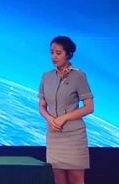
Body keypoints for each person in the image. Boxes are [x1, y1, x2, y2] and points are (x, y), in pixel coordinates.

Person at [39, 36, 94, 184]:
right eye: (52, 52)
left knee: (76, 179)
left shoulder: (79, 76)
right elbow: (42, 106)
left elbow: (89, 107)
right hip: (54, 135)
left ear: (68, 54)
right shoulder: (46, 77)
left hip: (74, 135)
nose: (54, 56)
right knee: (59, 179)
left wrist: (64, 118)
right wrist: (50, 119)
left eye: (58, 53)